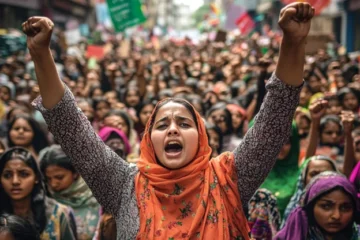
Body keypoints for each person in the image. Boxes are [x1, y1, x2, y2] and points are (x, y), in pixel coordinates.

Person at [23, 2, 314, 239]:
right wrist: (41, 54)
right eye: (162, 125)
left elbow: (275, 118)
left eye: (184, 124)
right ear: (148, 140)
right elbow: (70, 127)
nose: (173, 128)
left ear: (201, 137)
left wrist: (293, 42)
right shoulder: (125, 185)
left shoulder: (230, 179)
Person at [0, 147, 76, 239]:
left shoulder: (57, 213)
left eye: (24, 174)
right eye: (7, 175)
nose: (15, 181)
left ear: (36, 178)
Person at [39, 145, 100, 240]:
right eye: (48, 179)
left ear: (75, 173)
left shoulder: (98, 196)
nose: (53, 184)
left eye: (59, 177)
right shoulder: (46, 202)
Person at [275, 172, 360, 240]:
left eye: (345, 208)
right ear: (311, 207)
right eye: (326, 206)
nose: (336, 216)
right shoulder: (287, 237)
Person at [281, 155, 337, 226]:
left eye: (326, 174)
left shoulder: (344, 203)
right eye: (314, 174)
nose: (319, 178)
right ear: (303, 179)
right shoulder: (294, 210)